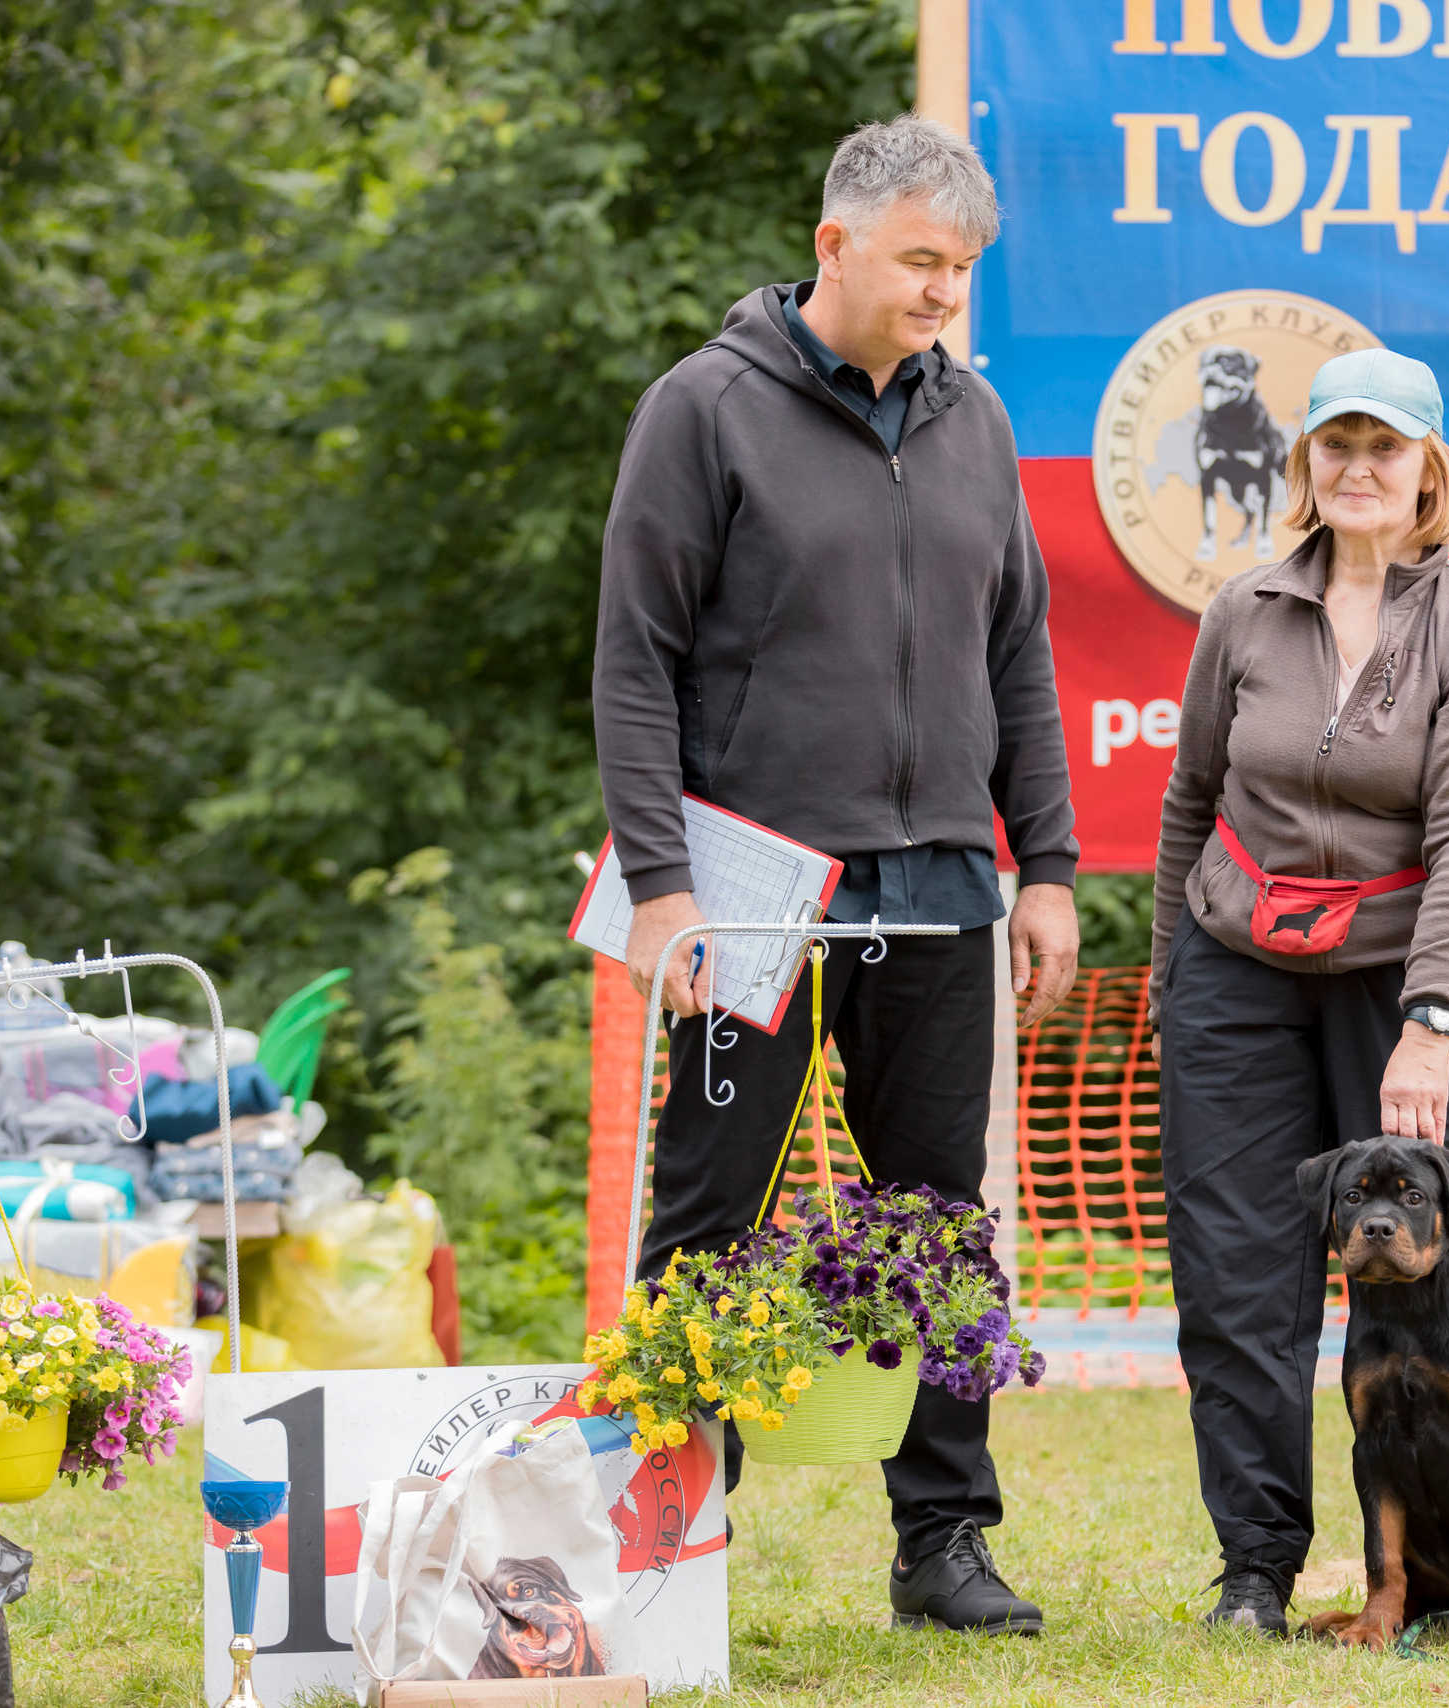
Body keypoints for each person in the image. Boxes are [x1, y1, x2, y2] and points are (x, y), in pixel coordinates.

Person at [592, 113, 1078, 1636]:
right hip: (751, 897)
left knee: (939, 1223)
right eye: (921, 259)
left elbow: (1018, 657)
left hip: (941, 892)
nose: (944, 291)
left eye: (964, 268)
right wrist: (663, 889)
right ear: (835, 245)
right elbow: (634, 663)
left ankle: (945, 1546)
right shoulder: (703, 409)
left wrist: (1047, 868)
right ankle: (668, 1539)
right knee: (710, 1216)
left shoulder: (977, 424)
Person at [1148, 347, 1449, 1636]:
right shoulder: (1243, 610)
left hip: (1405, 978)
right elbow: (1190, 800)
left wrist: (1432, 1028)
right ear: (1306, 462)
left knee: (1423, 1276)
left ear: (1430, 469)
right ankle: (1255, 1569)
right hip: (1235, 965)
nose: (1359, 467)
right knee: (1236, 1273)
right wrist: (1172, 974)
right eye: (1336, 444)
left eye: (1385, 446)